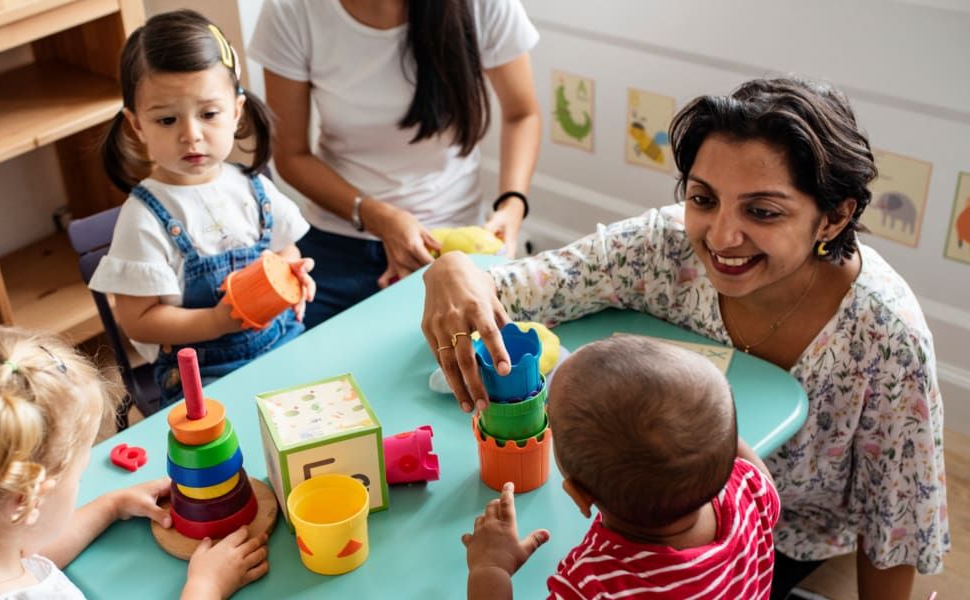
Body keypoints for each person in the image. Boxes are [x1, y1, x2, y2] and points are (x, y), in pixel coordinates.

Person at [423, 77, 948, 598]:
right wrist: (453, 270)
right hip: (647, 515)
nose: (721, 237)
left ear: (834, 218)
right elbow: (526, 286)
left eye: (762, 211)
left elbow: (894, 520)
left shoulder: (886, 334)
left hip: (786, 541)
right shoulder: (662, 248)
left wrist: (489, 576)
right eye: (702, 198)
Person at [0, 320, 268, 600]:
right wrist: (205, 586)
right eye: (80, 475)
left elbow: (23, 551)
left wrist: (109, 506)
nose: (84, 484)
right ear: (25, 500)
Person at [249, 0, 541, 327]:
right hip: (338, 242)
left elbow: (522, 114)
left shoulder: (483, 6)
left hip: (453, 243)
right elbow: (291, 155)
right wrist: (379, 216)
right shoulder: (292, 11)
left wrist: (513, 205)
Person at [93, 10, 316, 407]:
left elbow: (286, 249)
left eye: (209, 114)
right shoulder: (144, 217)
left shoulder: (253, 187)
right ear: (136, 125)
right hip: (206, 378)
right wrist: (216, 322)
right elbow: (137, 320)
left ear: (236, 111)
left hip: (285, 345)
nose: (191, 135)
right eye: (166, 119)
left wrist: (290, 275)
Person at [463, 336, 780, 599]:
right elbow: (744, 462)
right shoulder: (750, 491)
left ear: (580, 495)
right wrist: (703, 423)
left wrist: (491, 569)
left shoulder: (594, 586)